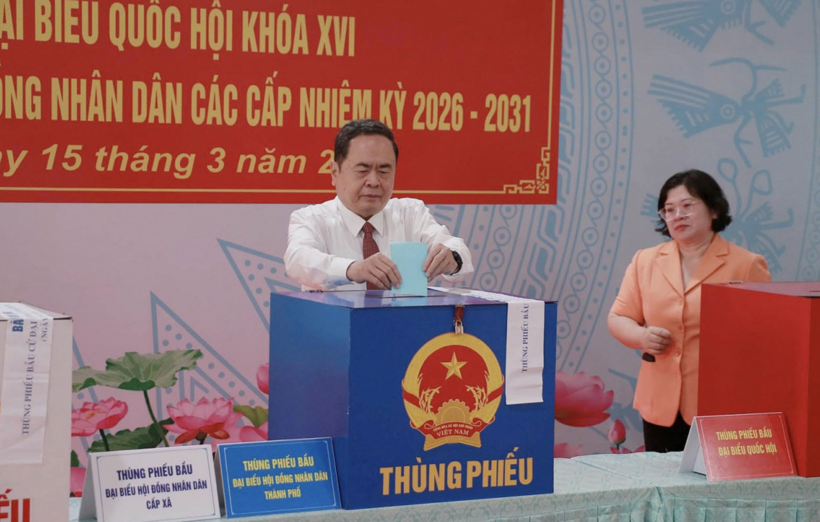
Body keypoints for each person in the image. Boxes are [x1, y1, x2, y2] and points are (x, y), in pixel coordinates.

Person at [607, 169, 771, 452]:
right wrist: (641, 337)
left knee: (714, 491)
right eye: (669, 210)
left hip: (722, 402)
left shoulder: (746, 264)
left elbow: (766, 334)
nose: (677, 215)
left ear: (714, 210)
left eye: (687, 206)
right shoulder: (645, 260)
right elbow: (618, 317)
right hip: (660, 404)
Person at [284, 119, 473, 291]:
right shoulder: (311, 219)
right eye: (362, 170)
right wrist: (353, 269)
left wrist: (452, 258)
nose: (374, 181)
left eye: (384, 171)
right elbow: (297, 259)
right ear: (335, 172)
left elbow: (456, 249)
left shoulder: (411, 214)